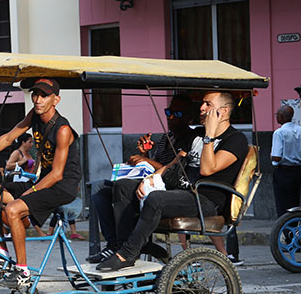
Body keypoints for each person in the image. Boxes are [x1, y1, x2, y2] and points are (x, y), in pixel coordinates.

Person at [97, 91, 248, 271]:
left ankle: (126, 254)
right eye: (202, 103)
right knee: (122, 186)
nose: (201, 108)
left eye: (207, 104)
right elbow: (175, 162)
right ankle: (124, 248)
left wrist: (210, 136)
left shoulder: (235, 139)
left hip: (206, 199)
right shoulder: (196, 134)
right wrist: (152, 177)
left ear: (222, 111)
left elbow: (207, 169)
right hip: (181, 190)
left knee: (157, 199)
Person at [0, 78, 82, 288]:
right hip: (43, 180)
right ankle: (1, 251)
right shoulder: (34, 117)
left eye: (44, 95)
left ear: (56, 99)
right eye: (35, 94)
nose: (37, 99)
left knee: (13, 209)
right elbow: (8, 138)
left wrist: (30, 193)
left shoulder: (63, 130)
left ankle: (22, 271)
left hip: (62, 186)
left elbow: (56, 174)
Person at [87, 94, 199, 263]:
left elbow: (174, 171)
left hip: (168, 189)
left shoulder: (191, 139)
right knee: (98, 188)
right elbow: (155, 167)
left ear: (190, 118)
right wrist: (144, 154)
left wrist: (147, 160)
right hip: (149, 183)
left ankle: (123, 247)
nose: (170, 117)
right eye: (169, 112)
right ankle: (113, 244)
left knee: (122, 187)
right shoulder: (166, 138)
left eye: (177, 114)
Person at [271, 105, 301, 217]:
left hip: (283, 172)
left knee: (282, 204)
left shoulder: (279, 132)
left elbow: (276, 157)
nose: (276, 117)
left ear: (282, 117)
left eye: (277, 115)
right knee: (294, 202)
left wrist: (272, 156)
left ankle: (285, 230)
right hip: (296, 171)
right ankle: (293, 227)